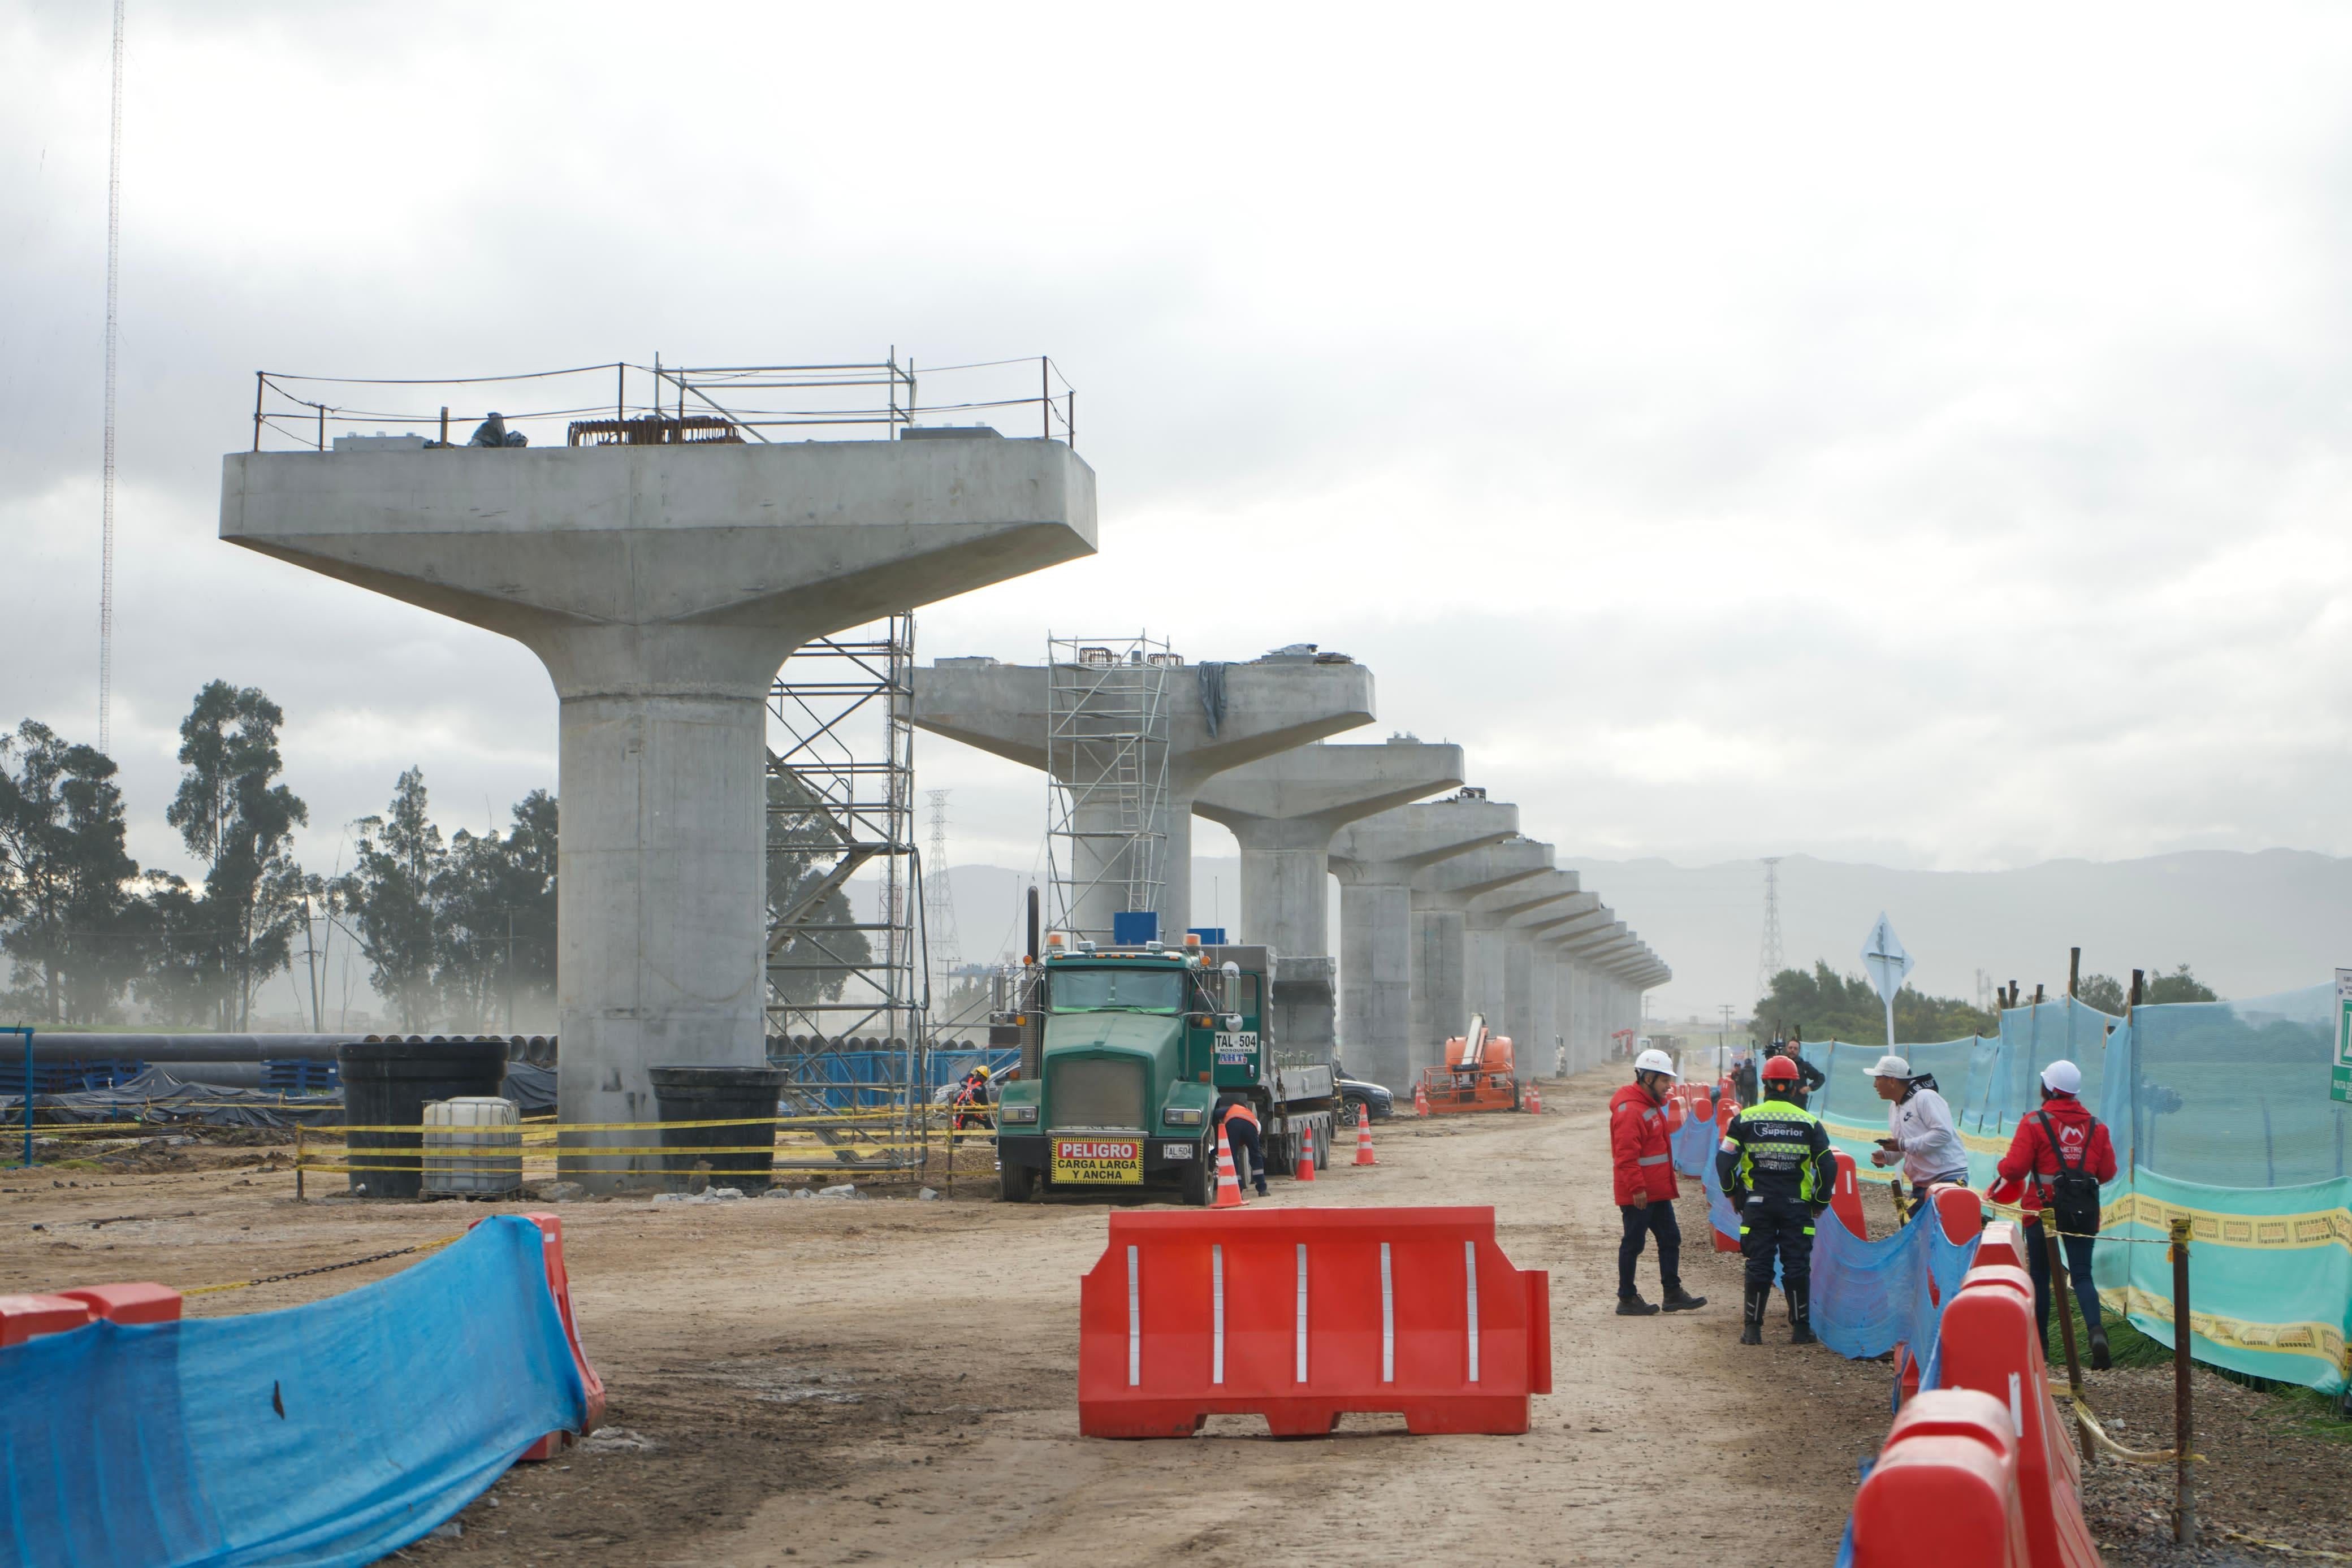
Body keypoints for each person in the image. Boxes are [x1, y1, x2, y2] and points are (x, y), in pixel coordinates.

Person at [1988, 1059, 2116, 1369]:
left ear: (2048, 1088)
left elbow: (2016, 1168)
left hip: (2040, 1211)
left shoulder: (2034, 1122)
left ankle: (2042, 1349)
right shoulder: (2098, 1126)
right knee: (2082, 1275)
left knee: (2041, 1277)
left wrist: (2003, 1169)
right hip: (2082, 1211)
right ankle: (2096, 1332)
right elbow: (2108, 1171)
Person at [1717, 1053, 1839, 1345]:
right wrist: (1820, 1202)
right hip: (1797, 1206)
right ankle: (1800, 1330)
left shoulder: (1744, 1119)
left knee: (1759, 1263)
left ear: (1764, 1084)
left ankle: (1752, 1330)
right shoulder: (1809, 1123)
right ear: (1795, 1086)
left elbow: (1724, 1160)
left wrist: (1733, 1192)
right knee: (1797, 1264)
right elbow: (1828, 1165)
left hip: (1756, 1205)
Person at [1609, 1049, 1709, 1316]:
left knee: (1670, 1238)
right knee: (1633, 1243)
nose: (1669, 1086)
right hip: (1640, 1194)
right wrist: (1637, 1188)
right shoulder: (1631, 1111)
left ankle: (1672, 1293)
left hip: (1657, 1192)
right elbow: (1625, 1155)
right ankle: (1627, 1298)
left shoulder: (1649, 1106)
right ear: (1648, 1078)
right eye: (1665, 1081)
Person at [1865, 1055, 1969, 1218]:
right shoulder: (1895, 1107)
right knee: (1918, 1235)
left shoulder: (1925, 1097)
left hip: (1947, 1179)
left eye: (1878, 1079)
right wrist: (1887, 1155)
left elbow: (1943, 1134)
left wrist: (1901, 1145)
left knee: (1942, 1235)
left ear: (1892, 1081)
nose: (1874, 1085)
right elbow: (1906, 1145)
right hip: (1921, 1184)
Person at [1214, 1091, 1268, 1197]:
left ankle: (1238, 1189)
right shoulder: (1249, 1113)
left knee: (1232, 1156)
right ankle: (1262, 1189)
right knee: (1255, 1155)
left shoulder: (1231, 1109)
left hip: (1233, 1124)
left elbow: (1216, 1113)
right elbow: (1256, 1129)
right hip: (1250, 1126)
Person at [1768, 1034, 1827, 1110]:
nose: (1792, 1050)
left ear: (1799, 1051)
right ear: (1787, 1049)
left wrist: (1810, 1088)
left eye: (1795, 1049)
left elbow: (1821, 1077)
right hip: (1781, 1102)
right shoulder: (1779, 1063)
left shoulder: (1804, 1065)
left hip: (1799, 1105)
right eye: (1790, 1048)